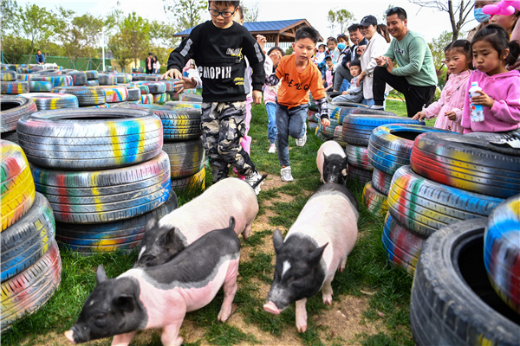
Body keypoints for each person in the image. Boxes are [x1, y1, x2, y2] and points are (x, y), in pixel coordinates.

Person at [163, 0, 266, 193]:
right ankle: (220, 190)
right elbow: (181, 52)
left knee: (227, 145)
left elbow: (258, 59)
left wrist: (258, 86)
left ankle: (251, 173)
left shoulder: (241, 34)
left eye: (225, 13)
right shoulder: (200, 32)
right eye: (214, 11)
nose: (219, 17)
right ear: (209, 7)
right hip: (209, 102)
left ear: (234, 10)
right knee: (212, 150)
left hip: (234, 100)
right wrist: (175, 67)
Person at [265, 27, 330, 182]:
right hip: (281, 104)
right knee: (282, 136)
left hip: (300, 106)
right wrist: (267, 72)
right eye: (301, 47)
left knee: (294, 132)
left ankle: (301, 131)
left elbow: (320, 95)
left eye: (308, 48)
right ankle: (285, 168)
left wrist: (324, 115)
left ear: (314, 50)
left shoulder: (314, 71)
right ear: (294, 47)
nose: (304, 52)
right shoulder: (286, 61)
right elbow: (274, 79)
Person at [372, 7, 438, 117]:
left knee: (415, 120)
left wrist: (393, 70)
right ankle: (378, 106)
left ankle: (420, 133)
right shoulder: (395, 41)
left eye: (394, 23)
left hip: (423, 85)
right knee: (379, 71)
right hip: (408, 81)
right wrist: (382, 60)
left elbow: (415, 67)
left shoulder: (415, 40)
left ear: (405, 22)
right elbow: (388, 57)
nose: (390, 27)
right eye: (388, 24)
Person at [232, 7, 273, 179]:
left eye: (231, 15)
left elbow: (264, 72)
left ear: (241, 22)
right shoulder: (215, 45)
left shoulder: (247, 46)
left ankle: (245, 173)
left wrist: (261, 50)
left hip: (243, 100)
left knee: (241, 135)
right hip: (219, 100)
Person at [461, 24, 520, 133]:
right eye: (475, 55)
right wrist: (467, 132)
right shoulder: (475, 76)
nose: (479, 60)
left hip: (505, 135)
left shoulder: (514, 81)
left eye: (485, 54)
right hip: (476, 135)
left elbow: (517, 114)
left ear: (504, 53)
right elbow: (467, 107)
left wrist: (493, 104)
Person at [412, 40, 472, 134]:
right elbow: (442, 102)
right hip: (442, 124)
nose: (451, 63)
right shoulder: (451, 79)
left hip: (457, 129)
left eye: (455, 59)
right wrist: (426, 112)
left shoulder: (470, 80)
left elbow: (473, 106)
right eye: (448, 60)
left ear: (469, 58)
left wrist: (459, 114)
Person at [356, 15, 391, 106]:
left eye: (367, 27)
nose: (363, 30)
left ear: (375, 27)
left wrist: (362, 74)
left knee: (374, 117)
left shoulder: (378, 40)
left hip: (376, 87)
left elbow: (375, 61)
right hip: (370, 87)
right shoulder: (371, 41)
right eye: (361, 28)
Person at [333, 24, 368, 92]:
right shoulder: (353, 48)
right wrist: (348, 64)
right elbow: (344, 59)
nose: (353, 37)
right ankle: (335, 92)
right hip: (354, 74)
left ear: (362, 33)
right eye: (351, 35)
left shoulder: (366, 45)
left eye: (355, 34)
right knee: (339, 67)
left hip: (364, 75)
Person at [263, 46, 285, 154]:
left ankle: (282, 142)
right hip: (270, 100)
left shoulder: (285, 70)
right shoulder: (266, 68)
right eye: (274, 54)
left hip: (282, 101)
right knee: (273, 121)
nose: (276, 57)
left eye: (279, 55)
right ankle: (272, 143)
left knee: (282, 123)